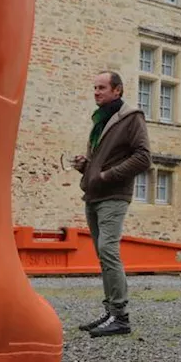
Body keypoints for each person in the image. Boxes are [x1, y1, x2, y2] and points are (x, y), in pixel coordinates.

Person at [72, 71, 151, 336]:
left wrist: (107, 175)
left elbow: (143, 158)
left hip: (113, 196)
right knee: (103, 255)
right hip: (94, 195)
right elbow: (104, 160)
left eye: (102, 87)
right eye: (94, 87)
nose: (96, 92)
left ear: (117, 90)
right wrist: (87, 167)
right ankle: (110, 313)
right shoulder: (101, 120)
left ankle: (121, 317)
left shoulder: (131, 118)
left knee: (108, 250)